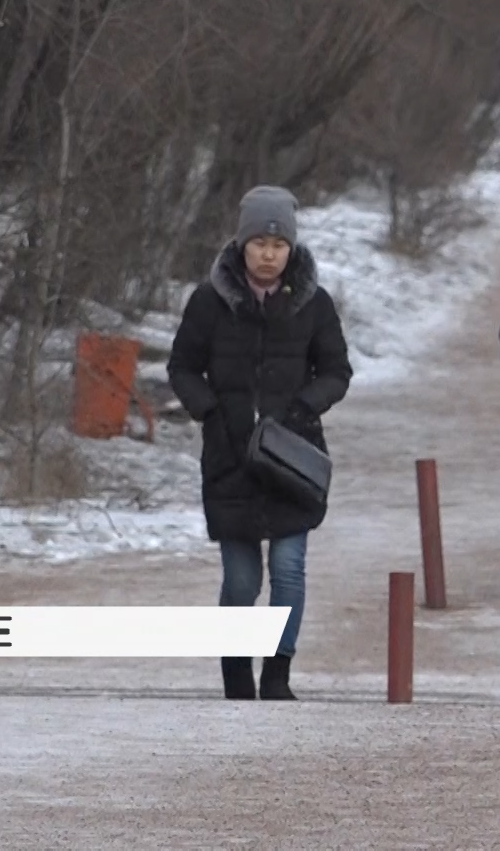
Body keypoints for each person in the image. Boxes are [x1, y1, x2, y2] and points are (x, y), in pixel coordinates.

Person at [167, 186, 353, 701]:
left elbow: (336, 371)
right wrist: (210, 411)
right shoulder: (210, 301)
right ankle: (236, 673)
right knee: (243, 581)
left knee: (289, 570)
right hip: (230, 458)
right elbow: (182, 366)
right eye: (260, 243)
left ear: (291, 248)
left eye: (279, 244)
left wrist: (301, 409)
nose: (269, 253)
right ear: (242, 243)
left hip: (294, 459)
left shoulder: (313, 304)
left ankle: (278, 672)